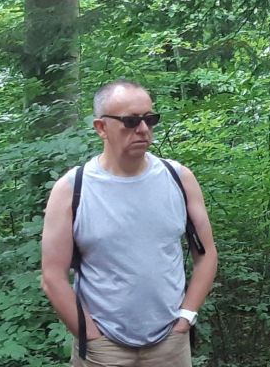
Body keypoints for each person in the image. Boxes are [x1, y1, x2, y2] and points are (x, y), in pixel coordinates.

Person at [40, 80, 219, 366]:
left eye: (150, 119)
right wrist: (91, 337)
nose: (143, 129)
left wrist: (186, 317)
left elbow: (206, 255)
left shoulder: (179, 179)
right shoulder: (73, 188)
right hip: (104, 347)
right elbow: (53, 276)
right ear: (101, 128)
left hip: (170, 342)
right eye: (131, 121)